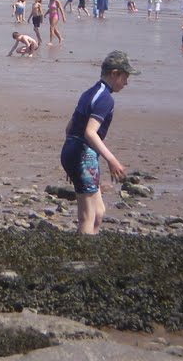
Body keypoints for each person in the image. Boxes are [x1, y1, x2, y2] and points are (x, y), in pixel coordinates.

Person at [60, 50, 137, 235]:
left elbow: (69, 128)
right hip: (82, 154)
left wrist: (72, 165)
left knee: (99, 212)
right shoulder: (105, 98)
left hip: (74, 151)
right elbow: (89, 133)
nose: (126, 83)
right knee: (88, 215)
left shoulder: (90, 92)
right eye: (125, 78)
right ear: (115, 73)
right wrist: (111, 160)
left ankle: (90, 248)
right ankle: (80, 259)